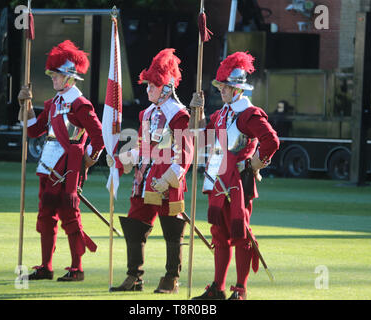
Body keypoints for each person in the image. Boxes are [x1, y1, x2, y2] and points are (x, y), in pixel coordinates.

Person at [190, 51, 280, 300]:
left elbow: (271, 140)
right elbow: (198, 138)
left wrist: (256, 164)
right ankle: (217, 289)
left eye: (226, 86)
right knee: (219, 236)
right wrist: (195, 112)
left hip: (237, 182)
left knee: (240, 234)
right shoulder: (221, 114)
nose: (221, 90)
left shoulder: (248, 113)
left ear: (238, 89)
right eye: (220, 85)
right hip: (216, 179)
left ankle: (240, 290)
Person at [17, 40, 104, 282]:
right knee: (45, 217)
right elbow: (33, 131)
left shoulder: (80, 104)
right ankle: (46, 266)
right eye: (52, 74)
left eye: (56, 75)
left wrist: (87, 160)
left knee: (70, 217)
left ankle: (77, 268)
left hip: (67, 170)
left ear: (69, 77)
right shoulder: (54, 103)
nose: (52, 79)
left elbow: (98, 136)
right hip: (47, 166)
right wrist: (25, 105)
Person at [108, 48, 193, 294]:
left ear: (166, 88)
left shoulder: (180, 116)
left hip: (167, 181)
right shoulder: (146, 113)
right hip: (144, 178)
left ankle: (171, 278)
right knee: (134, 224)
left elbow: (185, 153)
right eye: (147, 86)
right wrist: (124, 159)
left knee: (172, 230)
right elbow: (144, 148)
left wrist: (170, 178)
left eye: (152, 86)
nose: (148, 90)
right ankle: (134, 276)